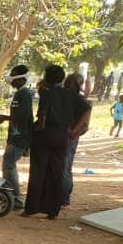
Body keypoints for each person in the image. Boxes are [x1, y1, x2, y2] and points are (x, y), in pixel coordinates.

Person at [23, 65, 90, 219]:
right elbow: (86, 109)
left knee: (38, 172)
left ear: (47, 78)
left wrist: (39, 128)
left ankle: (31, 208)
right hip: (63, 136)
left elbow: (43, 116)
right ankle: (53, 210)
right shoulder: (71, 94)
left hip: (46, 134)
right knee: (56, 172)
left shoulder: (47, 93)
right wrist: (75, 131)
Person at [0, 65, 32, 210]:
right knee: (8, 164)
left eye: (14, 76)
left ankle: (16, 197)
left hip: (20, 137)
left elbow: (23, 116)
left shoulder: (24, 94)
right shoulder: (19, 94)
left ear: (22, 79)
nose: (10, 78)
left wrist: (4, 117)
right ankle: (11, 195)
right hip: (16, 136)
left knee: (9, 164)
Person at [62, 73, 91, 208]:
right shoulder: (75, 99)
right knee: (64, 166)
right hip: (68, 137)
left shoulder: (80, 101)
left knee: (65, 166)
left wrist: (73, 133)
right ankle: (62, 195)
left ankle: (64, 196)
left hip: (69, 137)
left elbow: (85, 125)